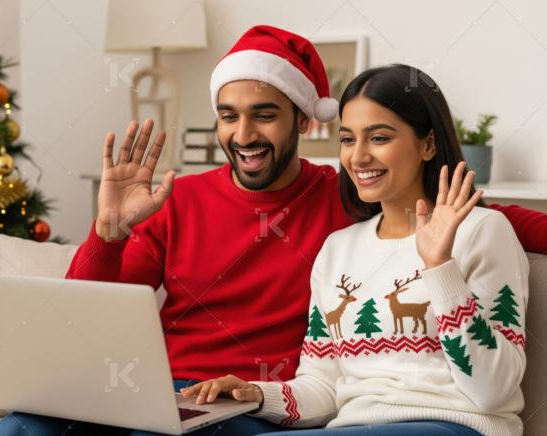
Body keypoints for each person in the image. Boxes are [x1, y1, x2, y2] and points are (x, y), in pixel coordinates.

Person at [0, 26, 546, 436]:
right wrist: (108, 232)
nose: (243, 134)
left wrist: (452, 238)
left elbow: (454, 216)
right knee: (22, 428)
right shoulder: (176, 200)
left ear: (303, 119)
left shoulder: (344, 196)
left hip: (244, 410)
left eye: (263, 114)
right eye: (228, 116)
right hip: (159, 393)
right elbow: (85, 325)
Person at [180, 64, 528, 436]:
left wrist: (439, 267)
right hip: (352, 426)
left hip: (456, 425)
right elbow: (323, 387)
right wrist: (257, 393)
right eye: (348, 139)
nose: (358, 157)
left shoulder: (481, 232)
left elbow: (492, 390)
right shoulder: (338, 248)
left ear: (428, 144)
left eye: (378, 138)